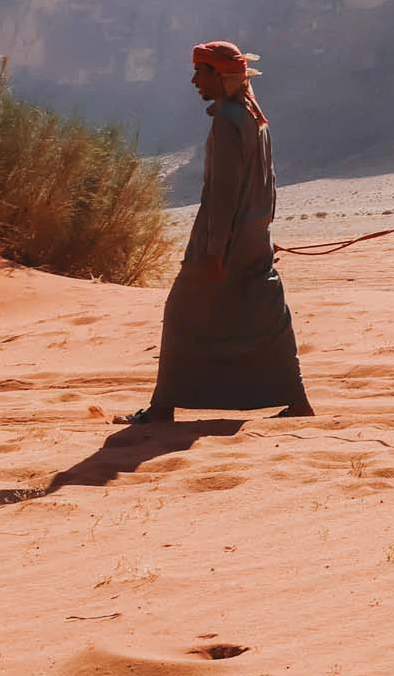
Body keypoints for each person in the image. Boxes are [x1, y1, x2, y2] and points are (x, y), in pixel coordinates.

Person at [122, 41, 312, 423]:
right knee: (265, 315)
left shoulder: (227, 119)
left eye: (200, 71)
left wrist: (214, 251)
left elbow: (221, 193)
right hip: (253, 236)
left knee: (181, 313)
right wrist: (263, 229)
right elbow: (268, 182)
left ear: (219, 74)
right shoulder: (254, 115)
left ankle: (162, 407)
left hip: (227, 242)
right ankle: (297, 400)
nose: (195, 81)